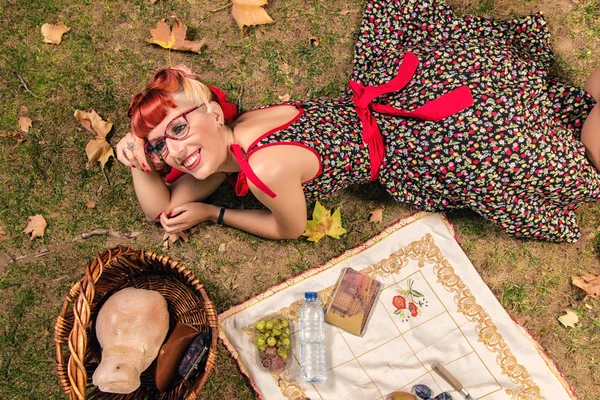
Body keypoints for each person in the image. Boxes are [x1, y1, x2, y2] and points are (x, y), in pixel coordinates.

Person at [117, 0, 600, 242]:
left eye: (176, 129)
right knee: (568, 107)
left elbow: (290, 228)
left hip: (433, 144)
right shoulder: (232, 136)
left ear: (208, 109)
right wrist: (141, 157)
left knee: (579, 159)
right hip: (403, 96)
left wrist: (215, 214)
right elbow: (166, 206)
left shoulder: (263, 171)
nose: (174, 153)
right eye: (162, 147)